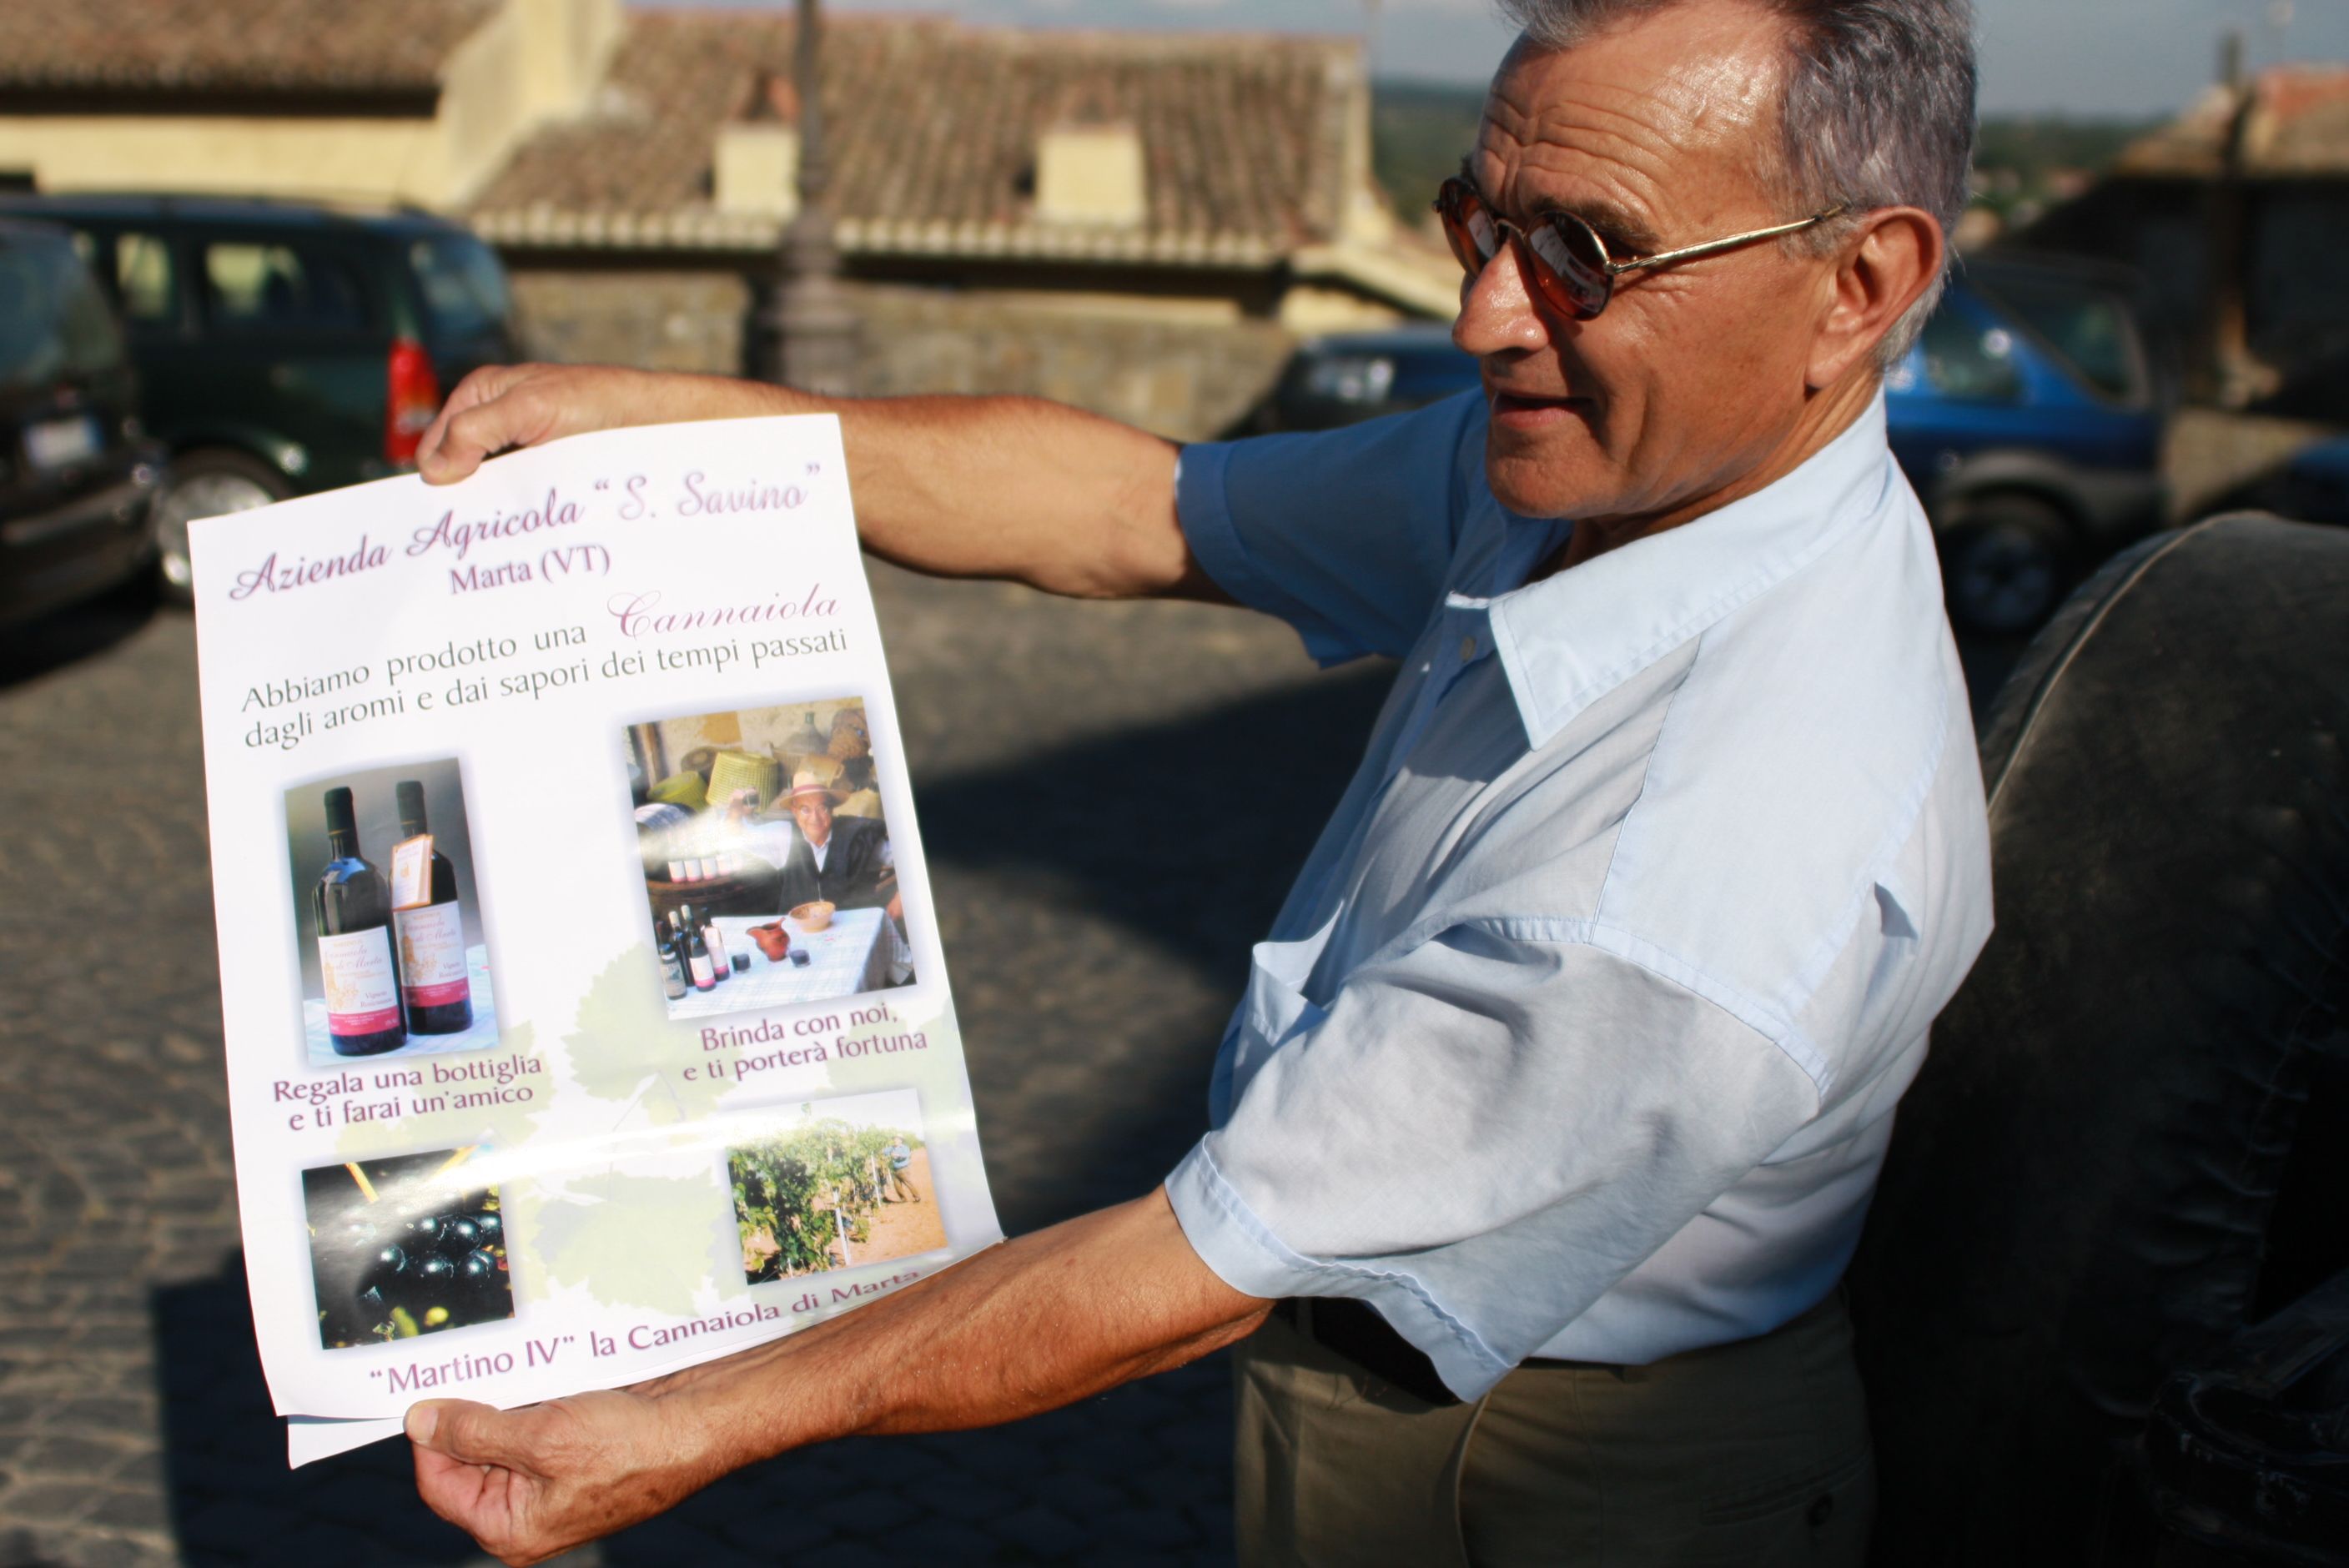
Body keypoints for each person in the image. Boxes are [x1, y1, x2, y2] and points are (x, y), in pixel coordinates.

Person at [400, 1, 1991, 1562]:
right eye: (1477, 220)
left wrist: (676, 1425)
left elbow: (1178, 1276)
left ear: (1861, 282)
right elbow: (1141, 508)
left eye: (1587, 251)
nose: (1486, 317)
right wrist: (676, 432)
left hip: (1550, 1472)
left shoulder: (1715, 855)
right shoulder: (1620, 473)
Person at [738, 769, 901, 918]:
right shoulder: (784, 835)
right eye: (805, 810)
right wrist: (737, 809)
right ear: (794, 812)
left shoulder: (857, 837)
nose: (814, 818)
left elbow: (911, 857)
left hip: (851, 930)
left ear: (831, 809)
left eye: (822, 808)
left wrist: (900, 898)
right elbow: (736, 835)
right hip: (797, 933)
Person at [882, 1138, 918, 1204]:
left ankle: (917, 1197)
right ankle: (903, 1199)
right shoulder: (892, 1147)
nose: (895, 1141)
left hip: (903, 1169)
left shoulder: (904, 1148)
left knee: (908, 1183)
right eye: (894, 1139)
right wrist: (885, 1151)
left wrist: (897, 1155)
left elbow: (906, 1155)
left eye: (897, 1139)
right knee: (897, 1185)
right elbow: (884, 1152)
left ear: (901, 1141)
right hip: (895, 1170)